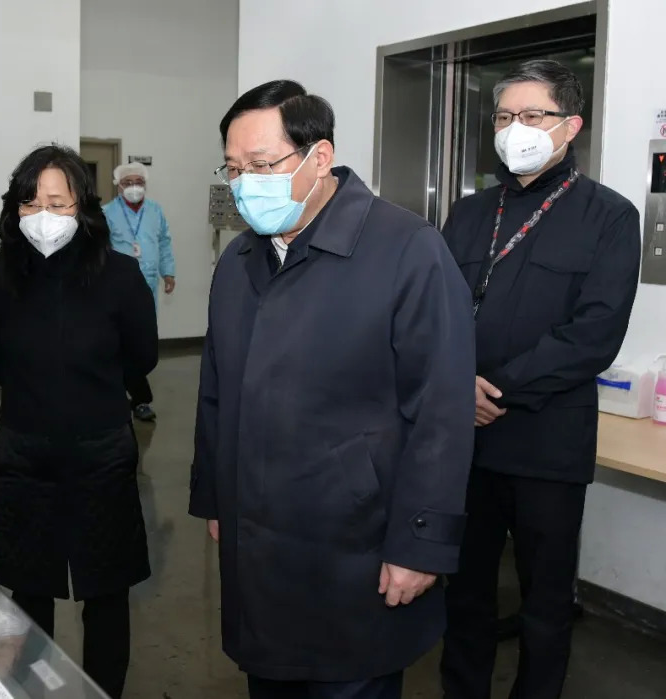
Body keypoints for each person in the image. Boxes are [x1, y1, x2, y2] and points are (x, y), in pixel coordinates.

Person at [190, 79, 476, 699]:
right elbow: (216, 390)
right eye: (233, 169)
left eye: (262, 165)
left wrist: (421, 544)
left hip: (356, 543)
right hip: (258, 540)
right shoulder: (239, 262)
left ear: (320, 157)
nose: (245, 184)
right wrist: (215, 496)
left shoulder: (407, 250)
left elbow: (442, 412)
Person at [439, 59, 641, 699]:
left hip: (546, 443)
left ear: (570, 126)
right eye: (503, 116)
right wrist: (454, 383)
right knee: (463, 593)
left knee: (545, 604)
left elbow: (594, 333)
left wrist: (493, 389)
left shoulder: (609, 216)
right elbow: (432, 312)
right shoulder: (469, 212)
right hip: (463, 440)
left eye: (532, 115)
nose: (513, 128)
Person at [0, 144, 157, 699]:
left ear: (84, 208)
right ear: (14, 209)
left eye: (57, 202)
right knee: (29, 588)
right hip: (25, 449)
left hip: (102, 450)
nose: (43, 215)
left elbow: (141, 356)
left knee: (107, 589)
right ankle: (31, 687)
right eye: (30, 203)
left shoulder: (120, 274)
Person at [102, 162, 175, 422]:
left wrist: (168, 272)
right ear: (118, 186)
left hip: (148, 284)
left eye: (139, 182)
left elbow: (164, 242)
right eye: (128, 182)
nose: (134, 187)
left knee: (142, 342)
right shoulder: (106, 213)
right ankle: (135, 399)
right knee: (117, 342)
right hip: (116, 287)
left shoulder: (155, 211)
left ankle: (138, 396)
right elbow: (100, 250)